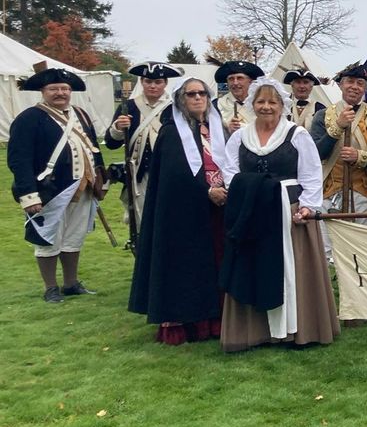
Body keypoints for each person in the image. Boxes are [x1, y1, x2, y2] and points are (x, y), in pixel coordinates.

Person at [218, 78, 338, 352]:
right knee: (254, 266)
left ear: (282, 105)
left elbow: (311, 173)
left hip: (290, 212)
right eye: (260, 101)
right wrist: (249, 193)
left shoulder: (296, 135)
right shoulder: (240, 137)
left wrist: (308, 206)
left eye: (272, 101)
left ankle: (299, 329)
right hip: (253, 212)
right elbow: (230, 172)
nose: (266, 107)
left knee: (292, 270)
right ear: (252, 104)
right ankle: (257, 331)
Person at [128, 78, 227, 344]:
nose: (197, 98)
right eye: (191, 94)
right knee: (188, 266)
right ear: (181, 99)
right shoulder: (172, 133)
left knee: (217, 263)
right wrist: (206, 191)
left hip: (218, 212)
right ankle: (188, 323)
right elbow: (173, 177)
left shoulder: (217, 129)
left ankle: (217, 319)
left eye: (202, 93)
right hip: (185, 214)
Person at [7, 67, 105, 303]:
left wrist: (101, 179)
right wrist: (29, 195)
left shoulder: (80, 115)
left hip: (83, 187)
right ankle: (51, 287)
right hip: (49, 191)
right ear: (43, 91)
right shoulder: (30, 118)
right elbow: (19, 159)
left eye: (65, 89)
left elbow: (92, 147)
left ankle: (71, 283)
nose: (60, 93)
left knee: (74, 236)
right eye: (54, 89)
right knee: (48, 237)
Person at [311, 64, 367, 252]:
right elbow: (316, 154)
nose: (354, 87)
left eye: (360, 83)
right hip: (330, 192)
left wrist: (361, 157)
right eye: (350, 82)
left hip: (365, 194)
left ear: (365, 89)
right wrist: (337, 127)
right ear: (340, 85)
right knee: (328, 250)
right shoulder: (322, 116)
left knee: (362, 248)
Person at [105, 62, 182, 240]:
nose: (153, 86)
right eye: (148, 81)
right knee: (140, 222)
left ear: (165, 84)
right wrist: (118, 128)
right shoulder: (129, 106)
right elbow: (111, 144)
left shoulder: (176, 107)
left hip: (168, 173)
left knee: (169, 219)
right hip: (138, 175)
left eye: (158, 82)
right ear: (142, 82)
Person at [215, 60, 265, 132]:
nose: (235, 83)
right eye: (231, 79)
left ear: (250, 81)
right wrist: (226, 130)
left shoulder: (263, 103)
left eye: (240, 78)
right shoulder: (216, 105)